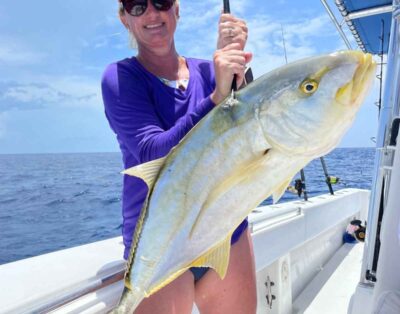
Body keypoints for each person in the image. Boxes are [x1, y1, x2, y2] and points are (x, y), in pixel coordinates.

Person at [101, 0, 256, 313]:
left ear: (177, 9)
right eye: (136, 6)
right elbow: (152, 151)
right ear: (124, 19)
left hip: (225, 230)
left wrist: (239, 65)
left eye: (161, 1)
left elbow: (251, 125)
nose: (152, 13)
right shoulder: (120, 77)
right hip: (160, 245)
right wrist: (216, 98)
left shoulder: (211, 71)